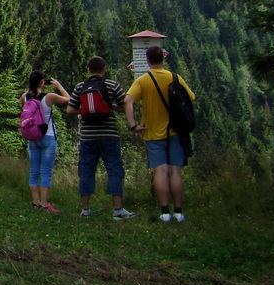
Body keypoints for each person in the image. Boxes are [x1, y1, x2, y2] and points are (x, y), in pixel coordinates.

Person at [124, 45, 197, 223]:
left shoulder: (143, 80)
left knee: (160, 171)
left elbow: (128, 100)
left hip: (152, 132)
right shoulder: (175, 77)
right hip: (175, 131)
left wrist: (134, 125)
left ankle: (164, 212)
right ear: (163, 58)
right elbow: (192, 99)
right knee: (175, 172)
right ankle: (179, 212)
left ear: (147, 60)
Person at [65, 56, 136, 219]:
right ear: (104, 69)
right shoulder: (111, 85)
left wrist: (84, 110)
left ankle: (85, 210)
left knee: (86, 171)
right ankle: (118, 210)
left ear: (89, 69)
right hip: (109, 135)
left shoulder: (80, 87)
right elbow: (125, 104)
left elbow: (69, 110)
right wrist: (109, 107)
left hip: (88, 137)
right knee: (114, 169)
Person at [20, 70, 70, 213]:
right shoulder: (49, 97)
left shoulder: (26, 97)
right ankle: (44, 203)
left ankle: (35, 202)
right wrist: (59, 86)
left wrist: (29, 90)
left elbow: (21, 103)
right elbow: (69, 99)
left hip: (32, 137)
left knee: (34, 170)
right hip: (47, 136)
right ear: (42, 82)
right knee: (46, 171)